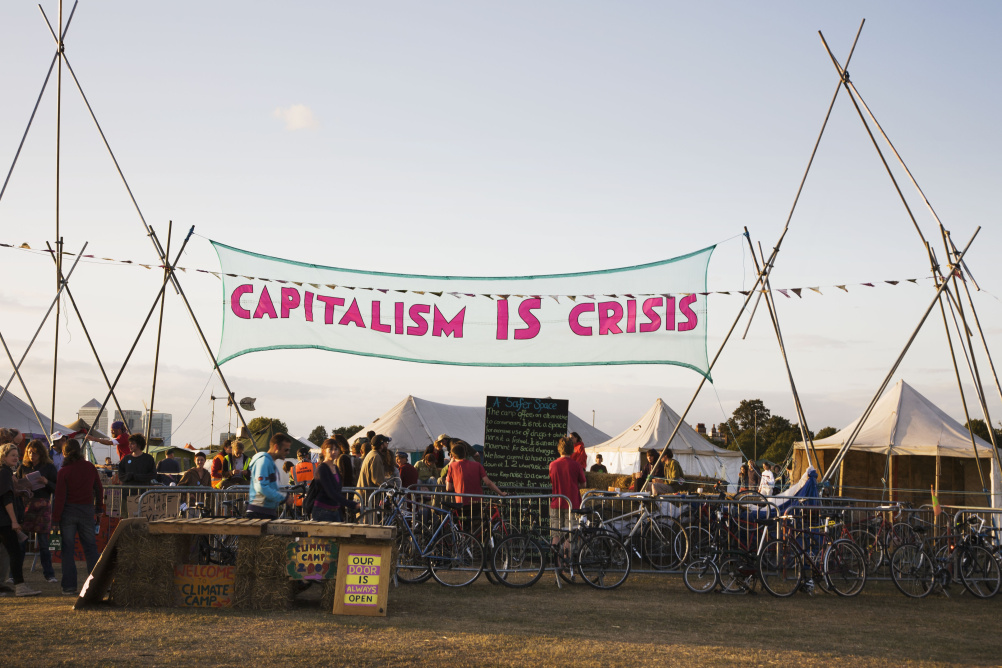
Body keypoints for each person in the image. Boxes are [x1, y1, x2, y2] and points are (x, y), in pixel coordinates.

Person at [51, 439, 103, 596]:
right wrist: (99, 508)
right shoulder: (89, 467)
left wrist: (55, 519)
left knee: (68, 550)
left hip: (68, 513)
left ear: (65, 453)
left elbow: (59, 497)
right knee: (91, 549)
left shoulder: (64, 471)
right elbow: (99, 488)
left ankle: (69, 586)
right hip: (86, 511)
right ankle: (96, 584)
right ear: (80, 451)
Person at [16, 440, 58, 583]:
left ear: (41, 453)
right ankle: (14, 574)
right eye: (29, 452)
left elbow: (57, 488)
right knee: (21, 541)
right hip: (26, 506)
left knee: (43, 543)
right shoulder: (23, 467)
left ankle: (49, 574)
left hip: (43, 505)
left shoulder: (49, 467)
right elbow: (16, 487)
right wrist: (23, 488)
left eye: (34, 452)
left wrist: (46, 482)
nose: (31, 455)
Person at [0, 442, 39, 596]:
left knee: (6, 552)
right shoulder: (4, 473)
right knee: (15, 552)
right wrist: (14, 521)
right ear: (4, 456)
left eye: (17, 455)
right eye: (13, 455)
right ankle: (20, 585)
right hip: (4, 520)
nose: (16, 458)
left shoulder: (6, 472)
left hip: (3, 519)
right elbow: (6, 498)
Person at [549, 436, 586, 548]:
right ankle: (566, 561)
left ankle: (556, 561)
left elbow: (552, 481)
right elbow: (584, 484)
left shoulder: (552, 465)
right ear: (572, 449)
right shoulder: (576, 465)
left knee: (556, 535)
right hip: (572, 503)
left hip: (556, 503)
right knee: (569, 536)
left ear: (559, 449)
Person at [245, 433, 293, 519]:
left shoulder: (270, 462)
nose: (288, 452)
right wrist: (283, 497)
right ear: (276, 447)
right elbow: (261, 487)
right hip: (259, 513)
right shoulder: (264, 462)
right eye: (286, 450)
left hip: (265, 511)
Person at [312, 439, 359, 522]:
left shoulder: (335, 468)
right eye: (330, 449)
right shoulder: (322, 469)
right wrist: (352, 504)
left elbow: (337, 491)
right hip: (322, 511)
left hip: (335, 510)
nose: (334, 452)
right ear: (324, 452)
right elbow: (330, 492)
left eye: (336, 449)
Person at [357, 435, 388, 506]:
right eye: (386, 443)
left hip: (365, 497)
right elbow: (377, 480)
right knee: (368, 517)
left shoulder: (372, 454)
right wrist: (389, 487)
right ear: (381, 445)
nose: (387, 445)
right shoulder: (376, 457)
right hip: (366, 499)